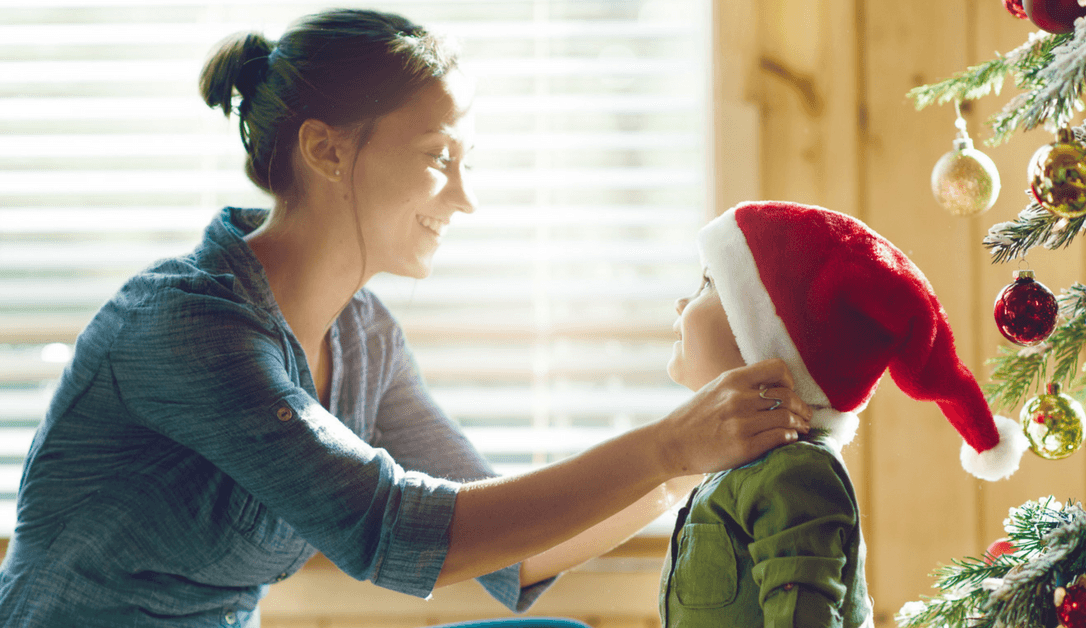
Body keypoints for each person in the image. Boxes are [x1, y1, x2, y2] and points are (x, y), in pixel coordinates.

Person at [0, 10, 813, 627]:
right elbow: (397, 528)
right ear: (327, 151)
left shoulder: (362, 340)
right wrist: (670, 439)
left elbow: (512, 552)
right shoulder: (189, 327)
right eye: (437, 158)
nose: (464, 197)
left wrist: (684, 467)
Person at [658, 201, 1029, 628]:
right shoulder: (740, 466)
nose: (681, 302)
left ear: (770, 353)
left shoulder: (792, 472)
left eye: (709, 284)